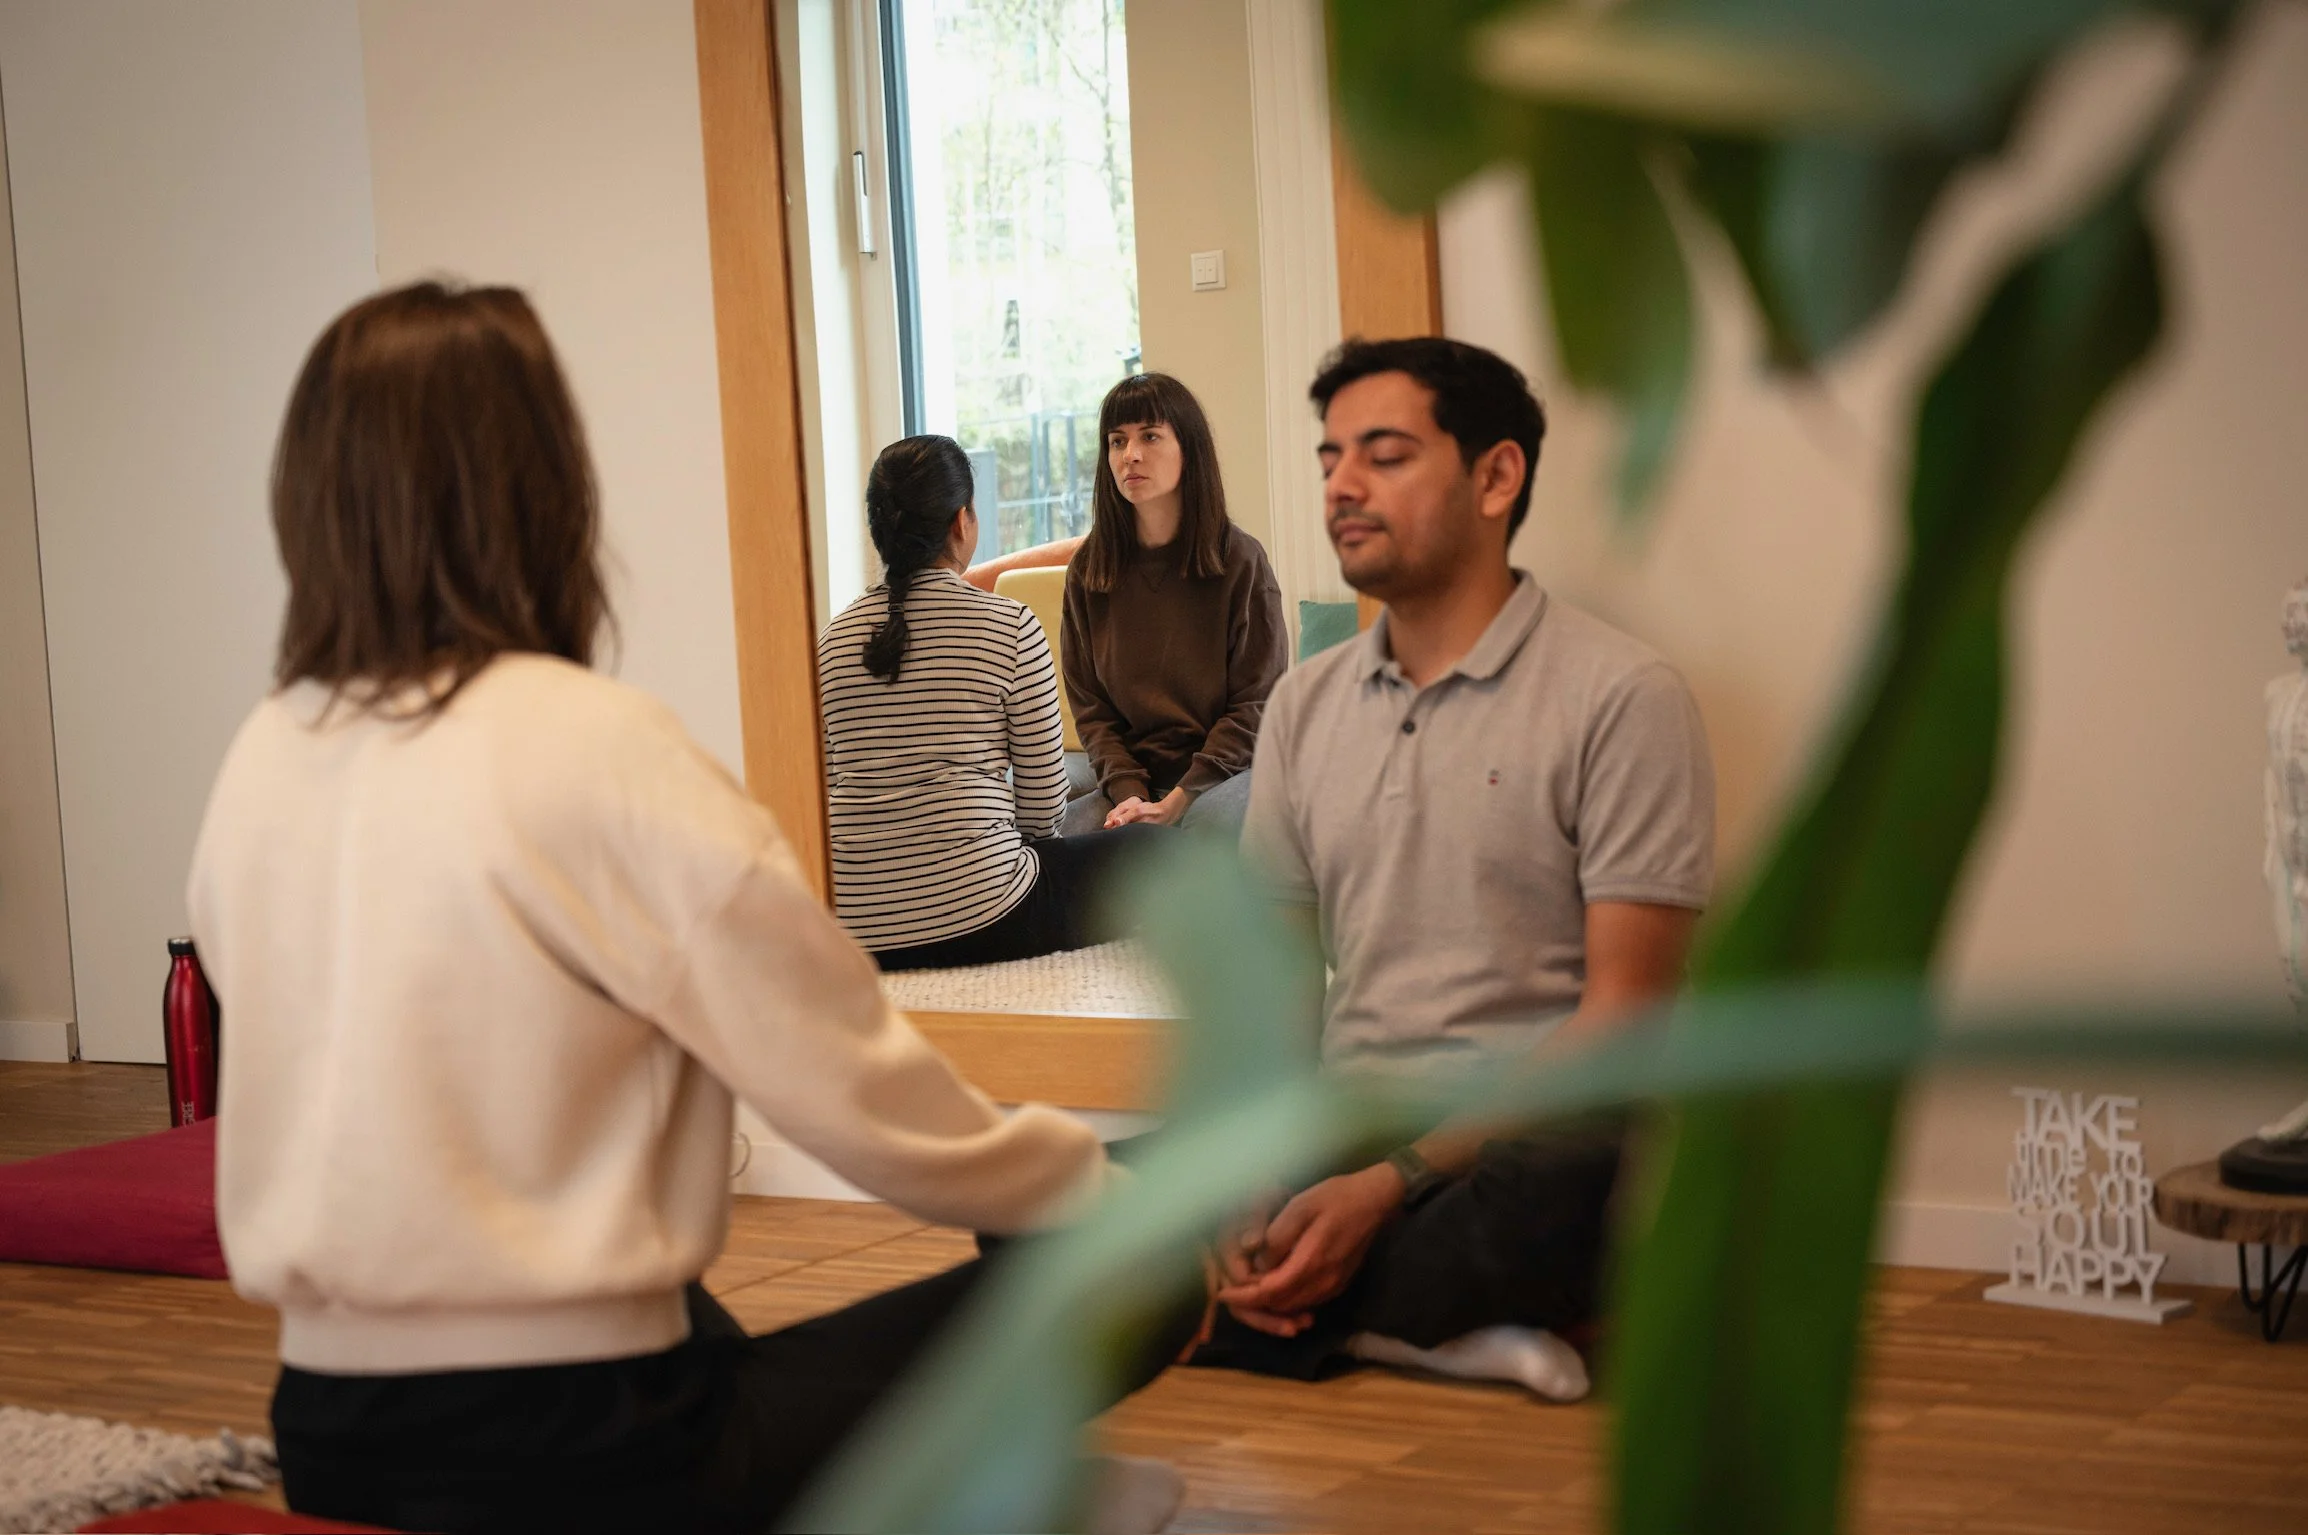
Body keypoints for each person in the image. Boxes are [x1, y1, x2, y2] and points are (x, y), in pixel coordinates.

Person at [187, 282, 1193, 1534]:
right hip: (594, 1451)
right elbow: (866, 1094)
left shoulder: (261, 755)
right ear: (545, 490)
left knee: (684, 1296)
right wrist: (1095, 1195)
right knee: (1130, 1266)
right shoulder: (594, 742)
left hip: (327, 1430)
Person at [1199, 336, 1716, 1401]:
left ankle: (1270, 1316)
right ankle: (1418, 1331)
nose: (1341, 483)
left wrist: (1391, 1183)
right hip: (1344, 1118)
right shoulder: (1303, 703)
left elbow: (1627, 1012)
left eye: (1383, 455)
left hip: (1514, 1140)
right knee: (1043, 1197)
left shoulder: (1622, 694)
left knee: (1562, 1198)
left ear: (1494, 475)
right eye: (1330, 455)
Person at [819, 435, 1166, 971]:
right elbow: (1042, 811)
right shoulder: (1009, 626)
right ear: (962, 521)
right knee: (1159, 851)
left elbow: (824, 789)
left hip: (858, 926)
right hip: (984, 912)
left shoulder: (831, 641)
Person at [1060, 372, 1287, 838]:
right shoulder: (1089, 570)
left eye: (1150, 436)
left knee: (1207, 822)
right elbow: (1093, 711)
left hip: (1229, 770)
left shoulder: (1240, 560)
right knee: (1069, 833)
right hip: (1133, 778)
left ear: (1190, 448)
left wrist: (1180, 798)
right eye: (1117, 441)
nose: (1131, 455)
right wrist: (1130, 795)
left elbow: (1256, 703)